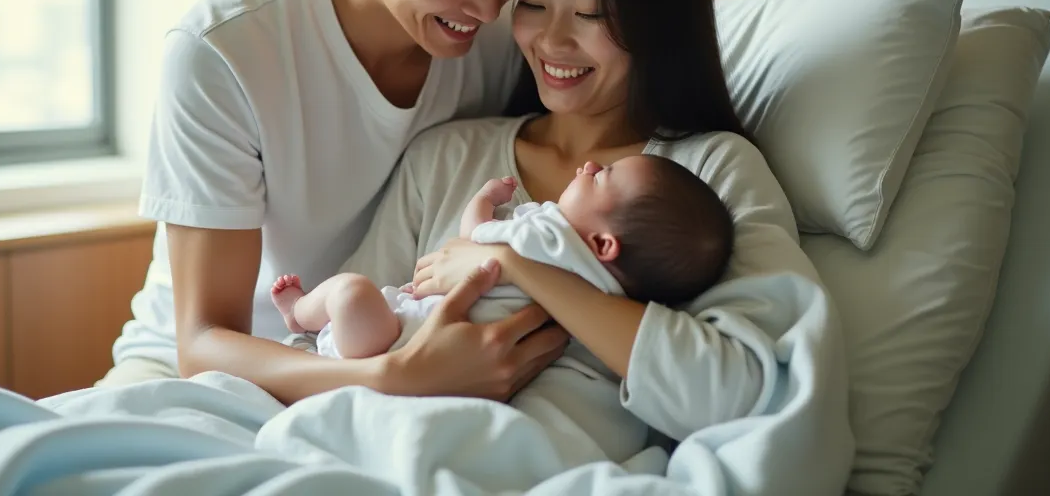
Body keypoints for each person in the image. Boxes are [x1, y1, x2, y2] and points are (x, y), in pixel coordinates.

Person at [326, 0, 854, 483]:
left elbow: (739, 395)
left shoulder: (709, 173)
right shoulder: (445, 158)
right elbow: (336, 335)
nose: (551, 41)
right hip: (385, 453)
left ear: (656, 21)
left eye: (592, 14)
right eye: (533, 3)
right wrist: (406, 376)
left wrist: (525, 268)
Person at [100, 0, 572, 395]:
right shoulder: (223, 52)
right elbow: (203, 342)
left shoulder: (508, 32)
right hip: (206, 371)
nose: (488, 10)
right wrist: (391, 378)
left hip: (393, 342)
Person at [269, 154, 733, 360]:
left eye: (603, 176)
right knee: (353, 297)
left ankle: (299, 314)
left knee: (350, 291)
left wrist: (486, 199)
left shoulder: (550, 237)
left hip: (398, 338)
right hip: (417, 350)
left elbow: (475, 239)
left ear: (603, 244)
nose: (590, 165)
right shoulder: (612, 297)